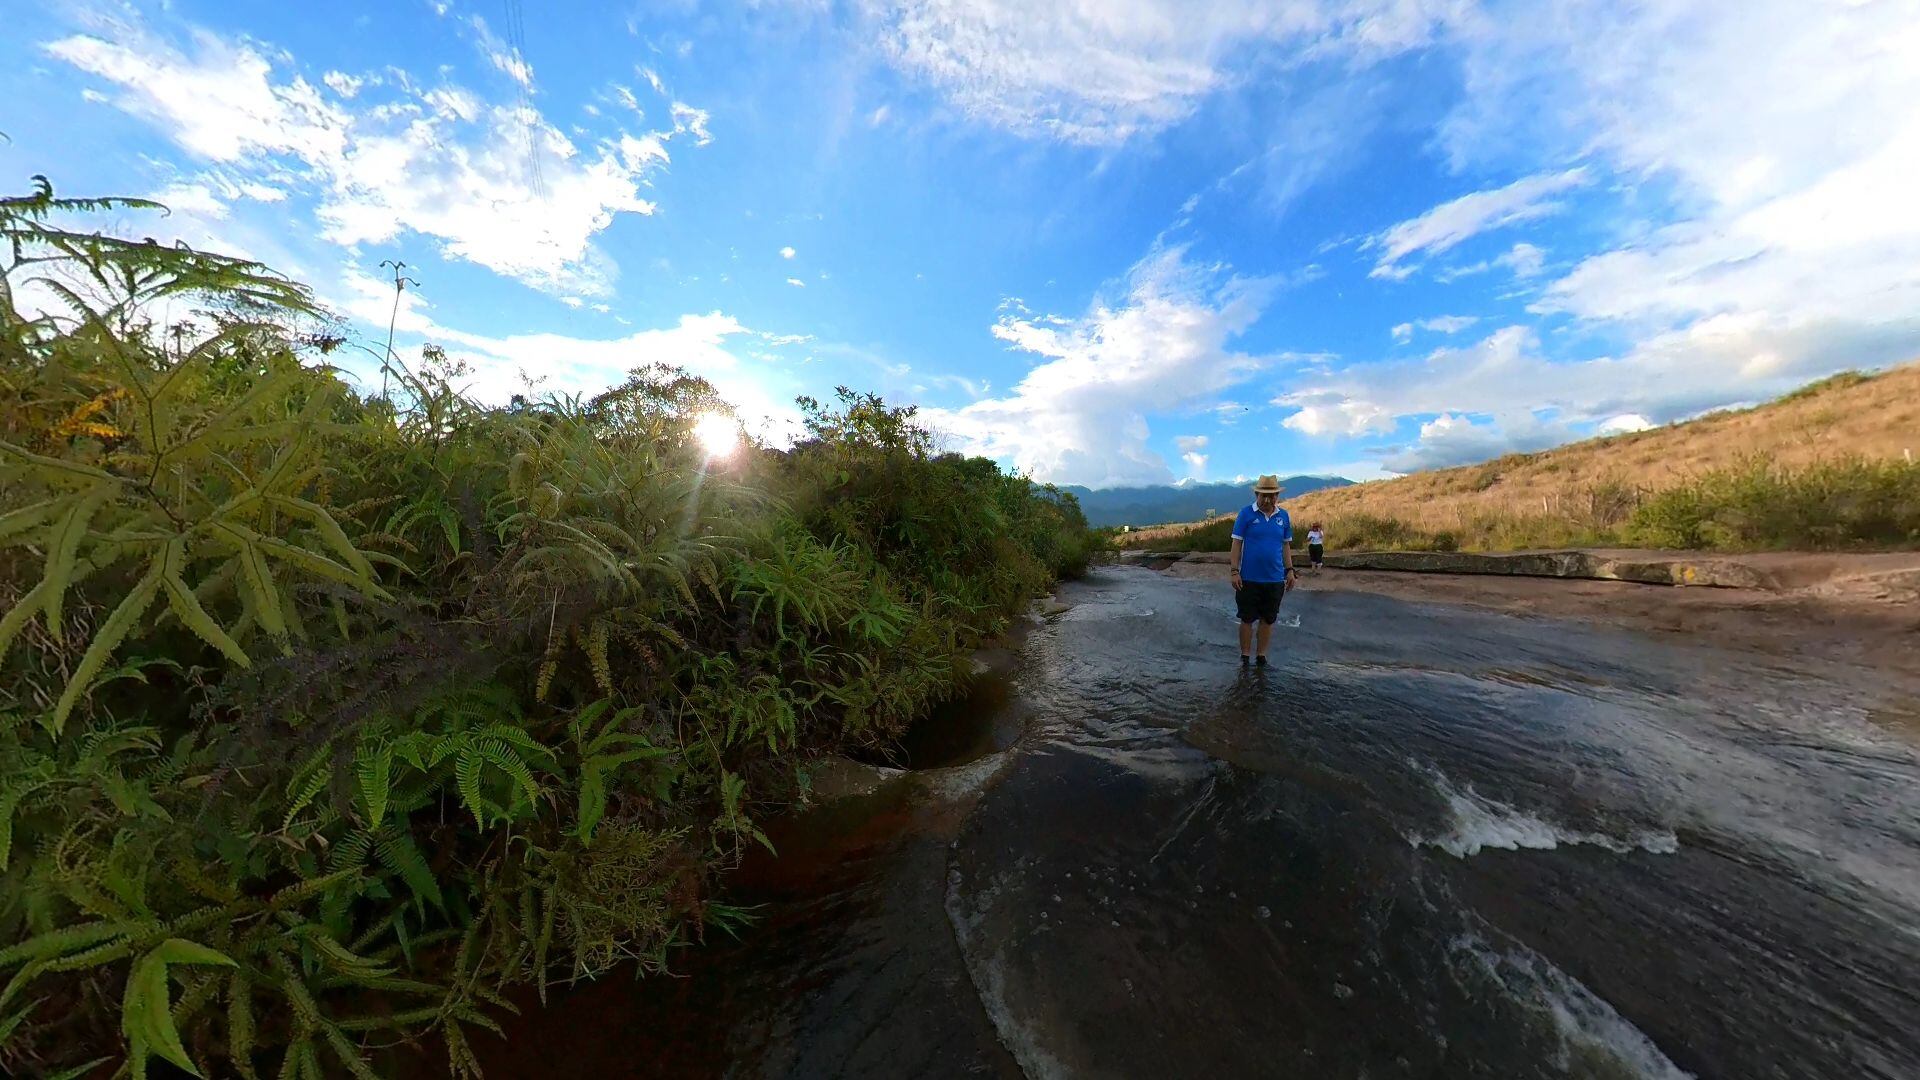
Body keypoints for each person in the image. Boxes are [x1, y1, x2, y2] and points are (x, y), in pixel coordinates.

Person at [1229, 475, 1297, 667]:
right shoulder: (1246, 514)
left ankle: (1261, 656)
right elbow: (1236, 543)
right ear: (1257, 494)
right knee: (1247, 618)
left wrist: (1290, 570)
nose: (1267, 500)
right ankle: (1244, 657)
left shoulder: (1283, 517)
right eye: (1263, 496)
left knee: (1268, 619)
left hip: (1275, 579)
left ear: (1277, 496)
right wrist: (1234, 571)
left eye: (1272, 496)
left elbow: (1285, 546)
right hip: (1248, 578)